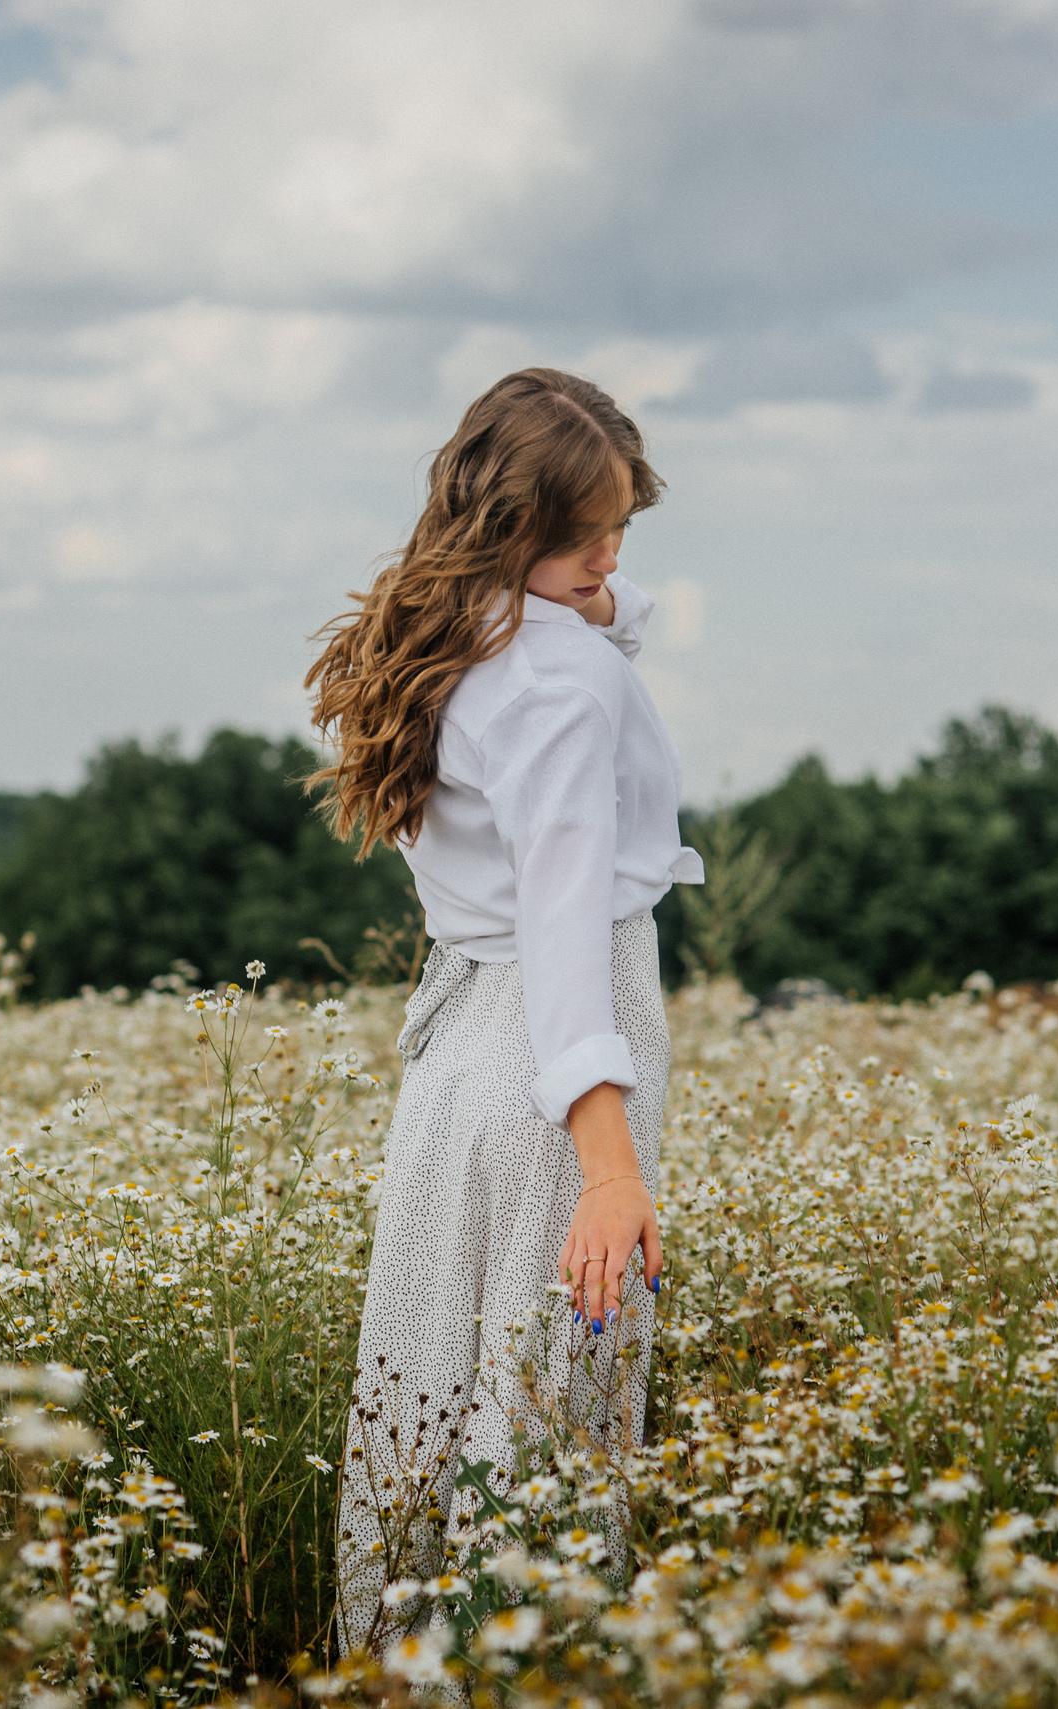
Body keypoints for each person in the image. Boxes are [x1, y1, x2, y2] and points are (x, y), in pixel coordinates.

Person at [305, 367, 703, 1652]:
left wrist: (587, 584)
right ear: (511, 529)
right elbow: (568, 924)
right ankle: (514, 1674)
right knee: (544, 1432)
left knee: (432, 1405)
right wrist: (606, 1165)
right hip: (554, 1066)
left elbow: (597, 614)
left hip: (462, 1058)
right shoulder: (557, 687)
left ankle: (406, 1667)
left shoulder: (454, 629)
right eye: (587, 530)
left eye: (624, 521)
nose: (613, 554)